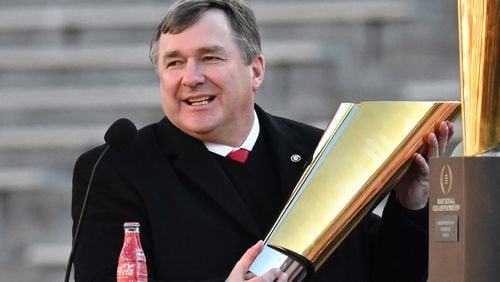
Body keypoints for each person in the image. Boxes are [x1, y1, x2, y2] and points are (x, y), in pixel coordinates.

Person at [71, 0, 454, 281]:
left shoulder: (323, 152)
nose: (191, 77)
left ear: (255, 71)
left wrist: (410, 205)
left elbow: (386, 274)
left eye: (209, 57)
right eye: (174, 62)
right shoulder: (118, 168)